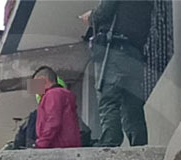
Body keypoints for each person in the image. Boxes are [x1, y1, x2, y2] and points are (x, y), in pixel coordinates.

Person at [83, 0, 152, 147]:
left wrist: (90, 17)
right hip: (135, 55)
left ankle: (110, 142)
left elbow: (104, 12)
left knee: (109, 99)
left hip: (114, 51)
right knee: (132, 106)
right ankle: (139, 146)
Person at [33, 66, 82, 149]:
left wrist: (41, 144)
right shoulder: (63, 94)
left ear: (43, 80)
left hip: (56, 147)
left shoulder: (52, 94)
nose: (35, 90)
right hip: (68, 146)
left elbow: (53, 121)